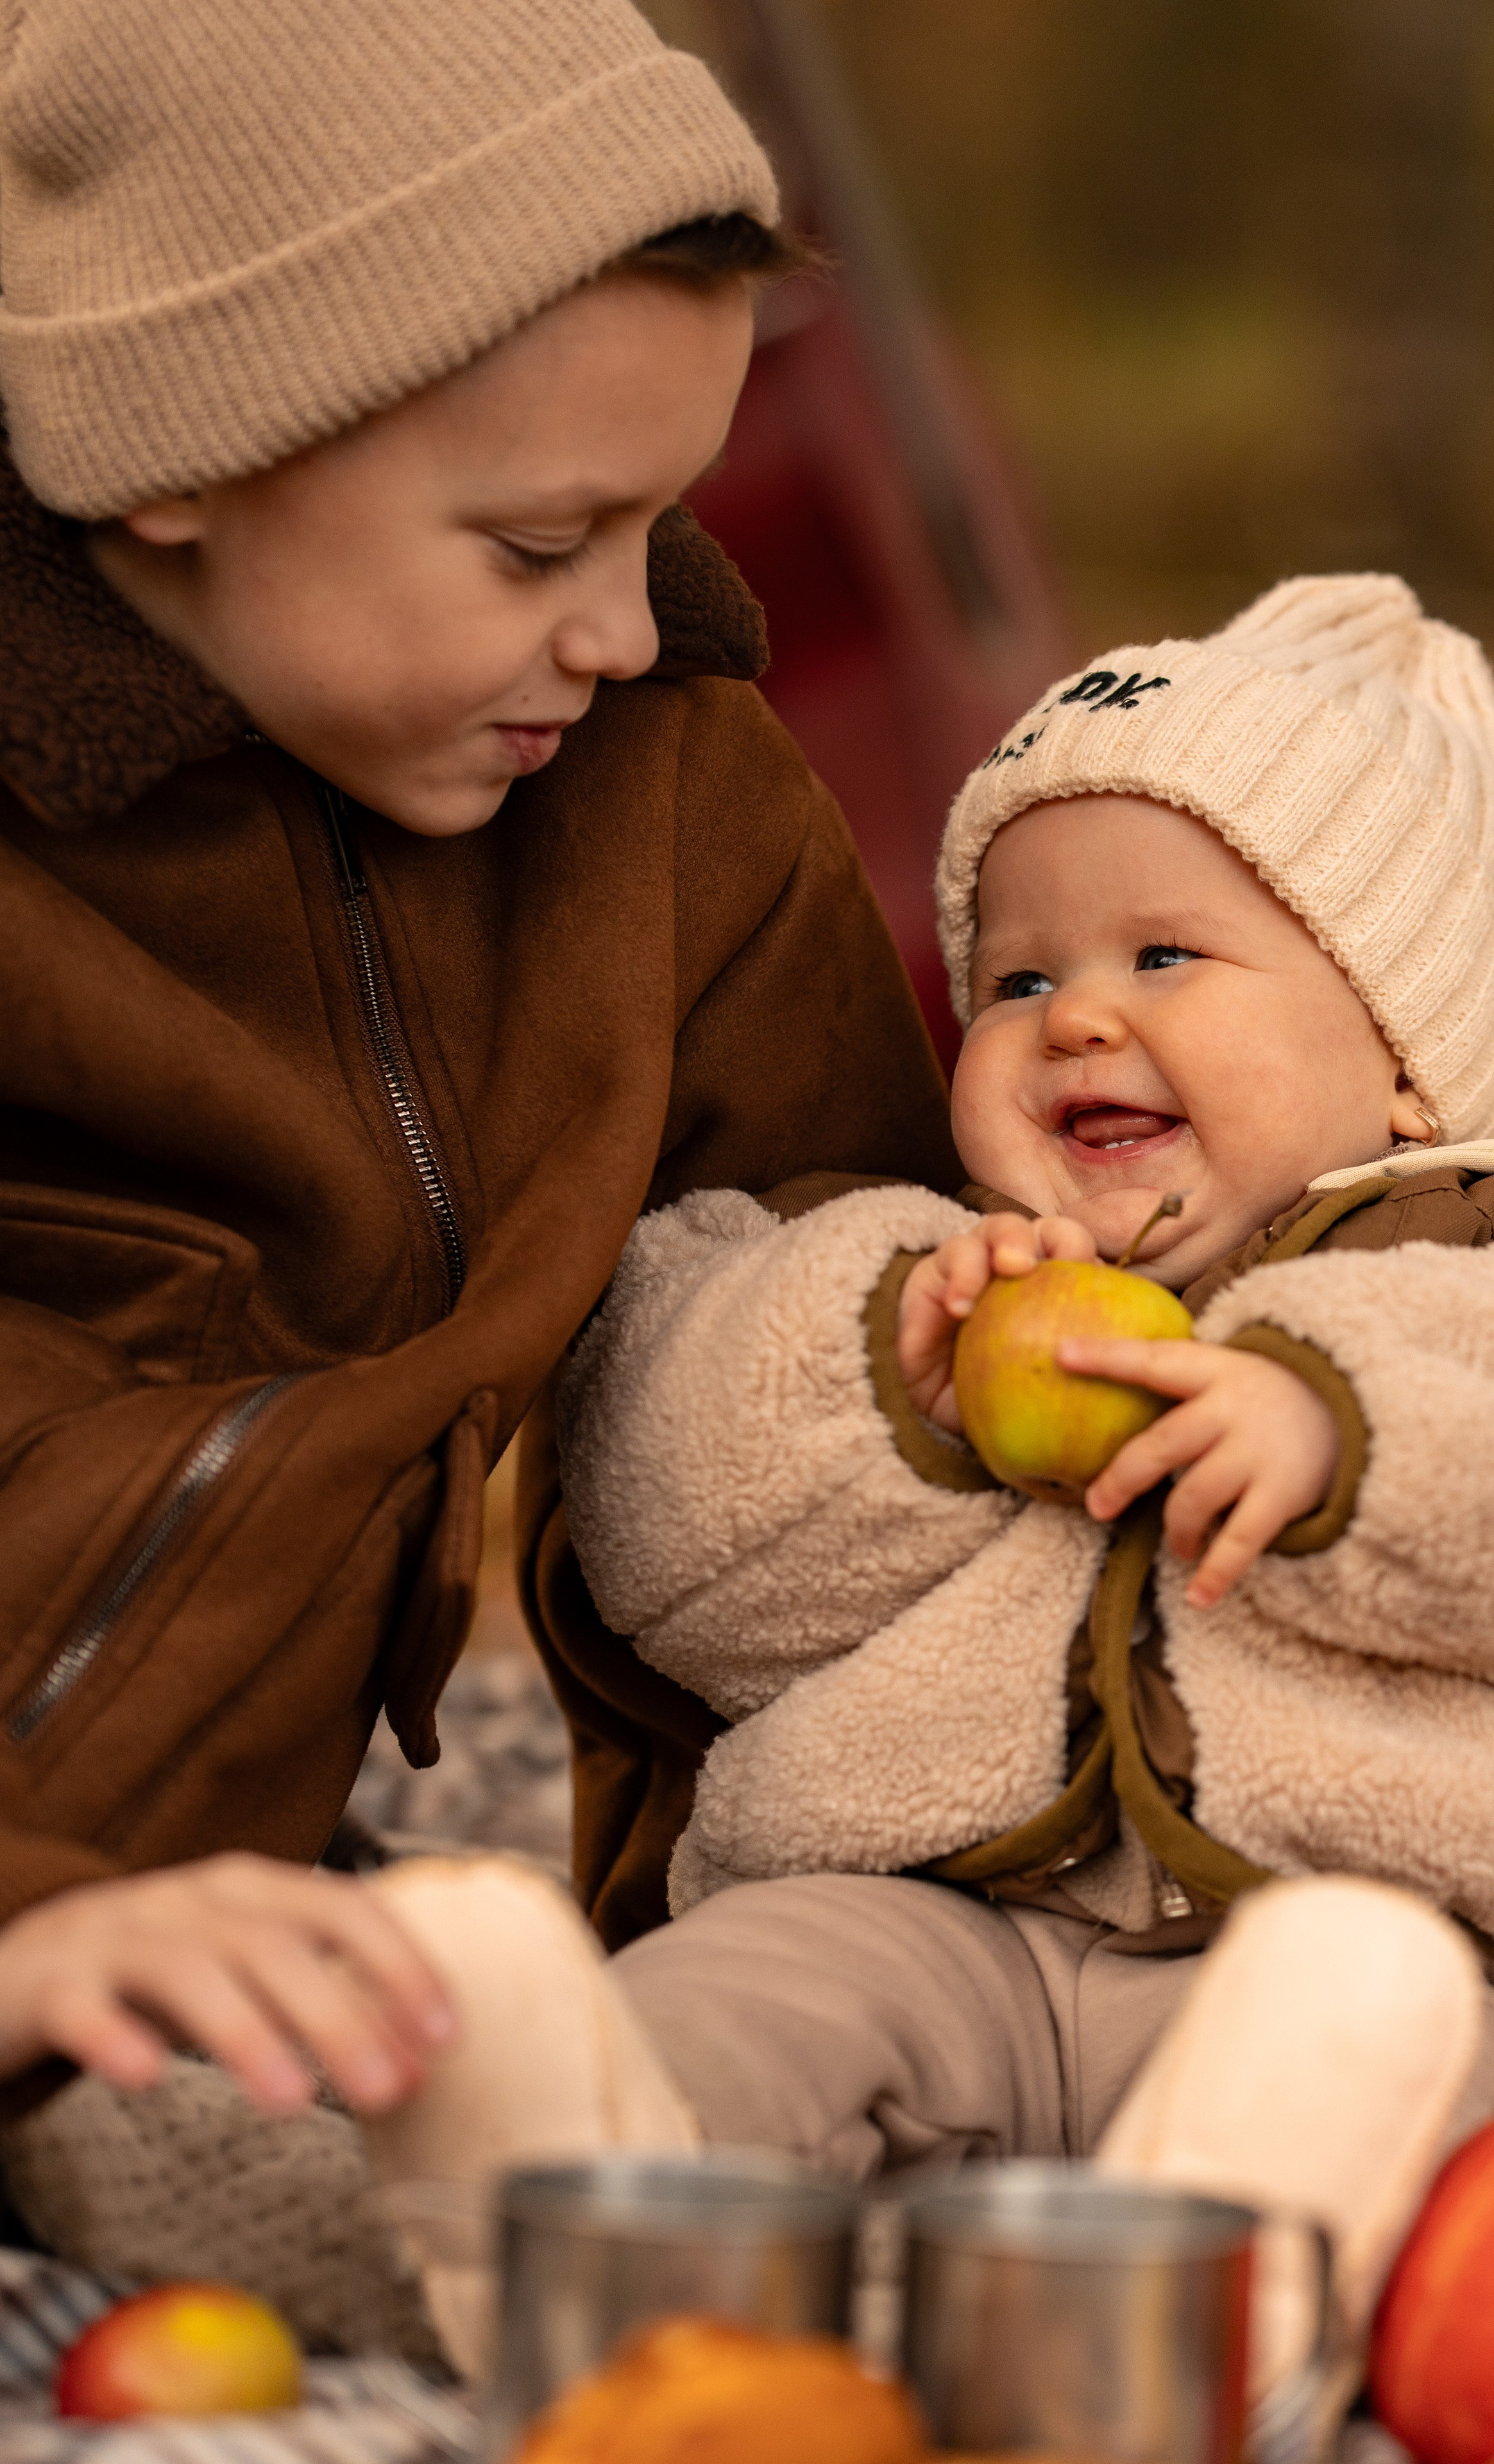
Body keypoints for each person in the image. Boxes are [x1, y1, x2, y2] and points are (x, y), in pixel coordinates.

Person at [0, 0, 956, 2124]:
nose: (622, 626)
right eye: (539, 547)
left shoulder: (672, 806)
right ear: (179, 458)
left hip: (223, 1917)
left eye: (662, 523)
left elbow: (809, 1453)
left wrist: (741, 1965)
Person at [552, 572, 1494, 2195]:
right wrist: (892, 1395)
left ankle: (1248, 2273)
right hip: (933, 1919)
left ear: (1404, 1063)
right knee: (740, 1999)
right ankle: (544, 2168)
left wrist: (1341, 1422)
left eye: (1163, 953)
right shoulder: (914, 1268)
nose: (1076, 1021)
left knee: (1417, 2080)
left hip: (1375, 1933)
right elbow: (661, 1527)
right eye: (1013, 979)